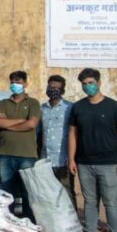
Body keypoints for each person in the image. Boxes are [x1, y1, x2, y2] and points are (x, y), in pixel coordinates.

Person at [67, 68, 117, 232]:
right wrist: (71, 159)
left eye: (91, 83)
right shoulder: (78, 107)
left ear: (99, 83)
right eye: (84, 84)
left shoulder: (113, 106)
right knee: (90, 202)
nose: (88, 87)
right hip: (84, 163)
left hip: (109, 163)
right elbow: (72, 134)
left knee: (111, 202)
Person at [0, 70, 41, 220]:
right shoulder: (3, 103)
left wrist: (8, 125)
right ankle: (9, 222)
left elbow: (32, 123)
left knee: (28, 192)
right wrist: (22, 121)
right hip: (5, 155)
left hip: (26, 155)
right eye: (13, 82)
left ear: (26, 84)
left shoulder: (33, 103)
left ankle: (30, 223)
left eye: (19, 82)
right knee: (7, 193)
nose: (16, 85)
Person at [37, 74, 75, 208]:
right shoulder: (42, 108)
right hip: (45, 159)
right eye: (50, 87)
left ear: (62, 91)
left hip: (63, 159)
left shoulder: (70, 108)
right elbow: (38, 132)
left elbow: (75, 133)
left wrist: (72, 158)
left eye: (56, 88)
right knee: (47, 194)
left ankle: (72, 225)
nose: (52, 90)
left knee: (66, 193)